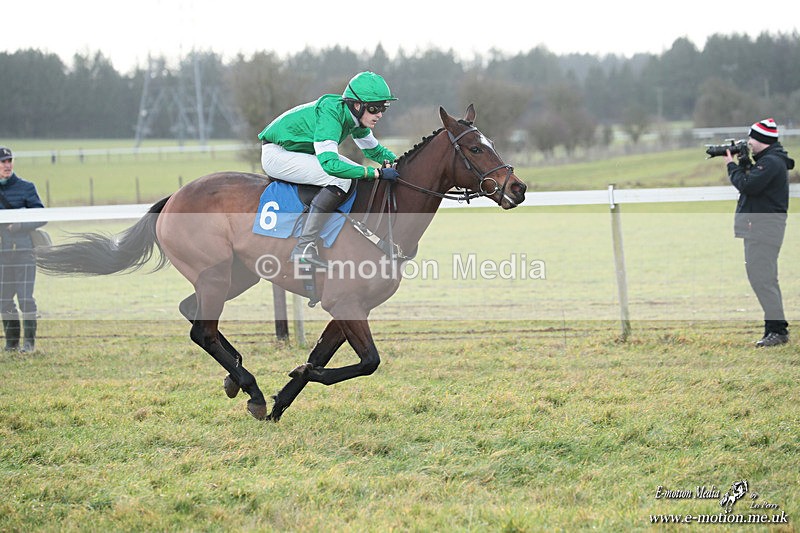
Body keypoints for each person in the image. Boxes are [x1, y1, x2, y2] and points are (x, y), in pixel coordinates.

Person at [258, 71, 401, 268]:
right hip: (277, 154)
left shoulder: (355, 119)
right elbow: (330, 165)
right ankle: (304, 247)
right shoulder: (331, 115)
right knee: (341, 178)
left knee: (353, 171)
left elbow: (374, 151)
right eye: (374, 108)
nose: (380, 114)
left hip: (298, 152)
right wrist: (375, 173)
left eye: (383, 107)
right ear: (357, 105)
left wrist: (400, 164)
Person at [724, 118, 795, 347]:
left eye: (751, 138)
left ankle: (777, 331)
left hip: (764, 228)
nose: (748, 143)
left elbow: (747, 185)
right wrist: (745, 163)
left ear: (762, 140)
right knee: (763, 279)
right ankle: (774, 330)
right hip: (761, 227)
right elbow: (753, 182)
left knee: (763, 279)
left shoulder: (771, 162)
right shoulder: (769, 161)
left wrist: (732, 165)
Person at [0, 146, 46, 353]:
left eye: (9, 161)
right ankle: (11, 343)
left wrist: (20, 225)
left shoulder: (26, 187)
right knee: (4, 300)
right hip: (2, 254)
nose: (7, 165)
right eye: (3, 162)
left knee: (26, 298)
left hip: (24, 252)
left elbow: (42, 216)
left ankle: (29, 343)